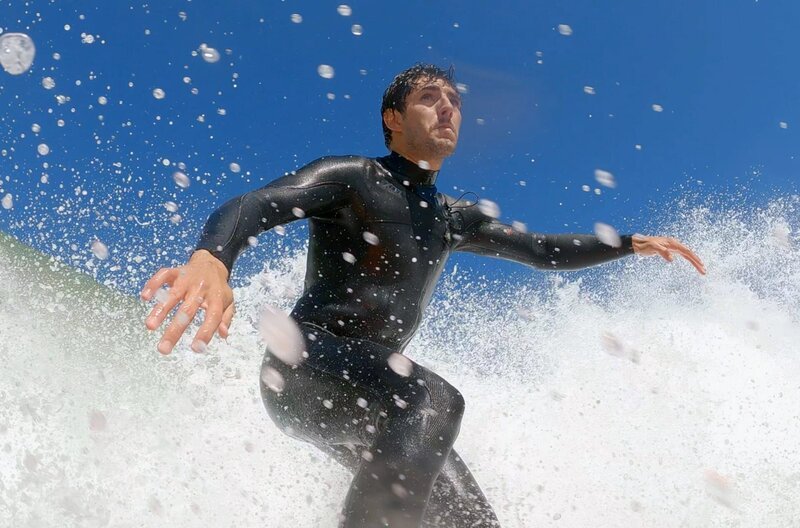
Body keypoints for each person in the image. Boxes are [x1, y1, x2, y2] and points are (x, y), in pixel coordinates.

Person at [140, 64, 706, 527]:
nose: (448, 109)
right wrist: (213, 257)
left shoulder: (452, 218)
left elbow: (539, 250)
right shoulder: (354, 177)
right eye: (430, 98)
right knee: (433, 400)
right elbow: (257, 204)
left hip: (373, 394)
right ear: (393, 118)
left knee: (473, 521)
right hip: (304, 363)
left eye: (455, 102)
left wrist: (628, 244)